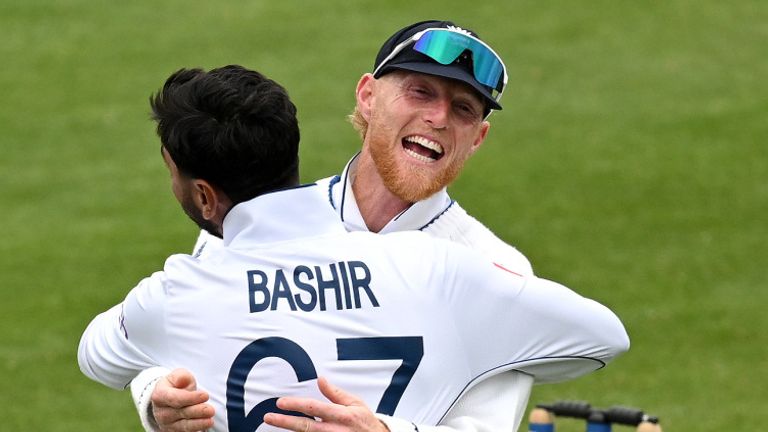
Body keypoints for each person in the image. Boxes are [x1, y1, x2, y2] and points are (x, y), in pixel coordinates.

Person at [78, 64, 629, 432]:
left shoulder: (494, 269)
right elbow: (179, 346)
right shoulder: (228, 236)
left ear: (477, 138)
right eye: (420, 92)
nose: (438, 118)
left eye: (464, 109)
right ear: (368, 97)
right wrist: (156, 395)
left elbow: (118, 340)